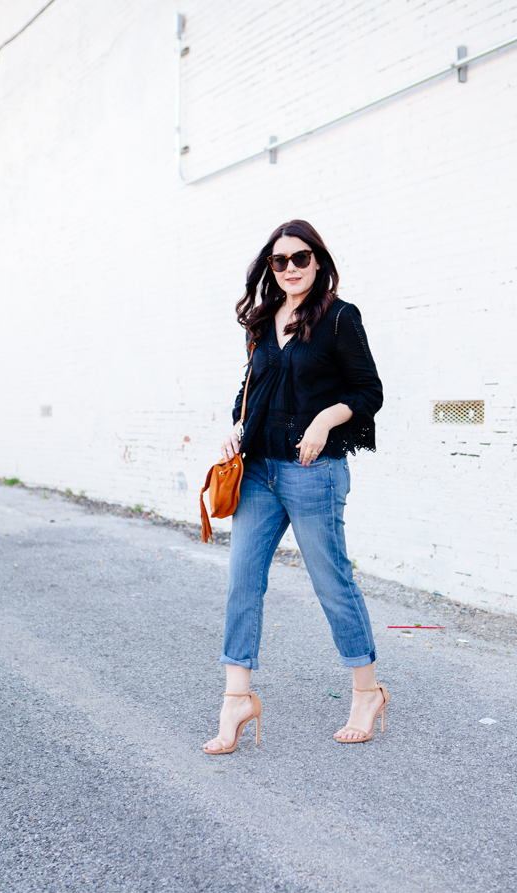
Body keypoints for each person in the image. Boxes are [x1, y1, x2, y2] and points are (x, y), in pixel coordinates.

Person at [203, 219, 387, 754]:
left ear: (318, 261)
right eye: (278, 261)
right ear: (270, 267)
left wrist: (326, 419)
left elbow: (367, 391)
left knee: (332, 582)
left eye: (299, 258)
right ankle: (237, 699)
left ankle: (366, 690)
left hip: (313, 472)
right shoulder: (261, 321)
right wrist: (237, 430)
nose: (289, 269)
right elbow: (252, 385)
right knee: (242, 580)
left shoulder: (339, 318)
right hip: (258, 470)